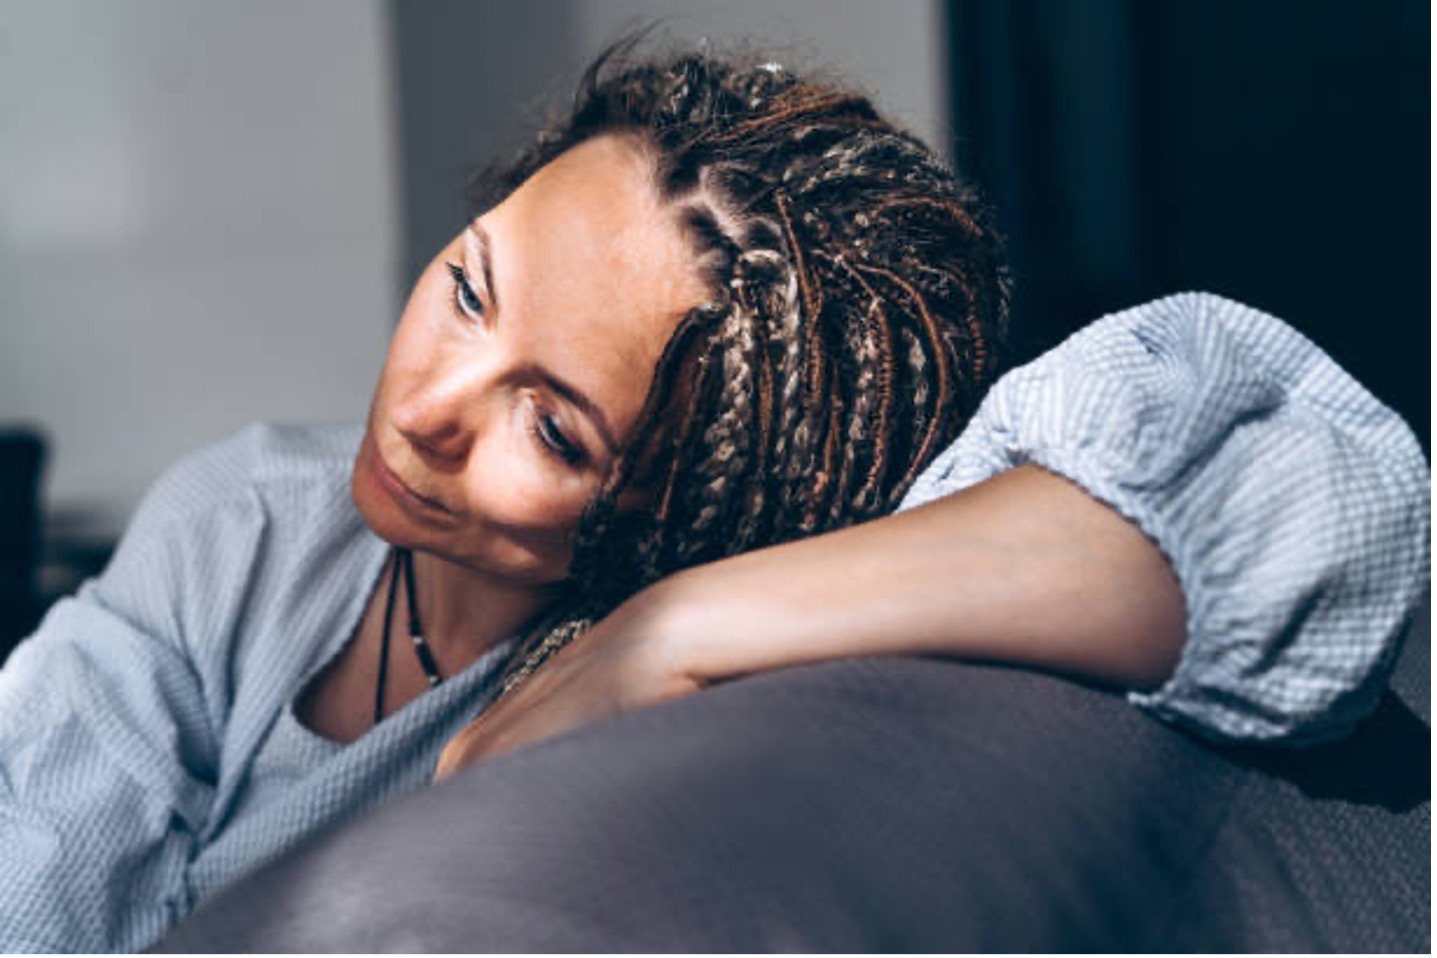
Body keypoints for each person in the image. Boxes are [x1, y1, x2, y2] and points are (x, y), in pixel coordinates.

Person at [0, 44, 1427, 952]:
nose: (428, 407)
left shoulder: (726, 605)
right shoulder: (246, 511)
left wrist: (671, 624)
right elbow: (41, 846)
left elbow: (1307, 498)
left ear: (691, 504)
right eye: (469, 288)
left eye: (551, 427)